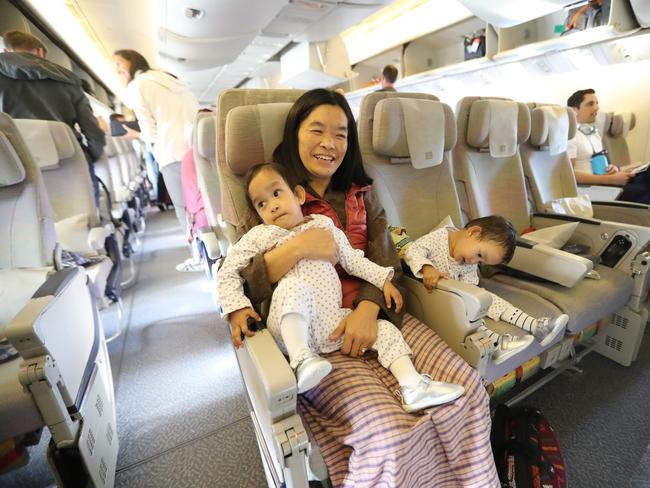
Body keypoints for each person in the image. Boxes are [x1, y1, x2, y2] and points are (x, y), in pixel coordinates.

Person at [230, 88, 499, 487]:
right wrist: (298, 247)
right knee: (389, 433)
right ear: (293, 135)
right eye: (316, 130)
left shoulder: (362, 195)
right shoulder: (272, 195)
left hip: (376, 314)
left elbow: (385, 258)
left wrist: (368, 309)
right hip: (314, 328)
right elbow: (244, 282)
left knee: (469, 392)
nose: (329, 144)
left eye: (341, 134)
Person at [219, 163, 465, 410]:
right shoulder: (260, 235)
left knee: (385, 329)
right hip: (288, 324)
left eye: (276, 193)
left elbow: (352, 260)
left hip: (332, 325)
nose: (271, 205)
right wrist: (236, 308)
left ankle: (413, 387)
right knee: (293, 286)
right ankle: (301, 360)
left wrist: (383, 279)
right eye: (261, 204)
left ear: (298, 195)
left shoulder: (323, 224)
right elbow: (228, 270)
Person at [403, 215, 568, 362]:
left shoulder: (468, 260)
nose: (474, 261)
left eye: (480, 261)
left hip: (457, 294)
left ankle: (536, 326)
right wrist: (426, 267)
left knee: (484, 299)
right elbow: (413, 250)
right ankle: (496, 345)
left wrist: (477, 300)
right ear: (474, 232)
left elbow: (470, 287)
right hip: (434, 296)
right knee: (469, 312)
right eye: (480, 255)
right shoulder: (438, 239)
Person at [113, 49, 199, 267]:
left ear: (133, 63)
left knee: (184, 208)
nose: (118, 70)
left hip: (172, 152)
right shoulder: (172, 79)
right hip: (197, 146)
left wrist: (135, 134)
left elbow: (151, 133)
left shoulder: (137, 86)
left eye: (119, 64)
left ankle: (198, 256)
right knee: (203, 203)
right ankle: (213, 251)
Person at [0, 30, 105, 205]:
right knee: (86, 221)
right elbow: (94, 134)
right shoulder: (70, 80)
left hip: (17, 170)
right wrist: (86, 158)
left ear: (5, 52)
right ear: (40, 52)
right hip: (70, 166)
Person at [567, 88, 650, 204]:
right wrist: (610, 179)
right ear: (574, 110)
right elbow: (568, 175)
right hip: (589, 190)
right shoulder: (569, 136)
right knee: (645, 191)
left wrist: (613, 168)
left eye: (597, 103)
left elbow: (597, 161)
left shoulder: (592, 132)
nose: (596, 108)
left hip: (604, 183)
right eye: (590, 104)